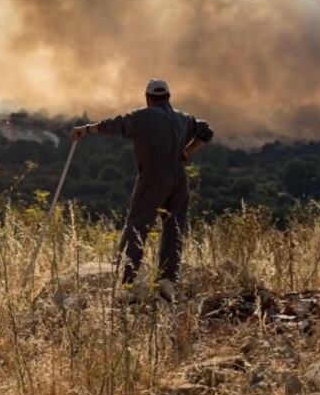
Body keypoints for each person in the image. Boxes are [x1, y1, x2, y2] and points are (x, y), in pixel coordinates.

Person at [71, 78, 213, 302]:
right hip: (178, 177)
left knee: (137, 226)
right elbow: (207, 132)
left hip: (153, 176)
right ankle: (167, 282)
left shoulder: (142, 117)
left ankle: (127, 280)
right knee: (174, 228)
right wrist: (188, 152)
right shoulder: (183, 118)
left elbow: (114, 124)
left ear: (148, 98)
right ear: (168, 97)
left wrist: (87, 129)